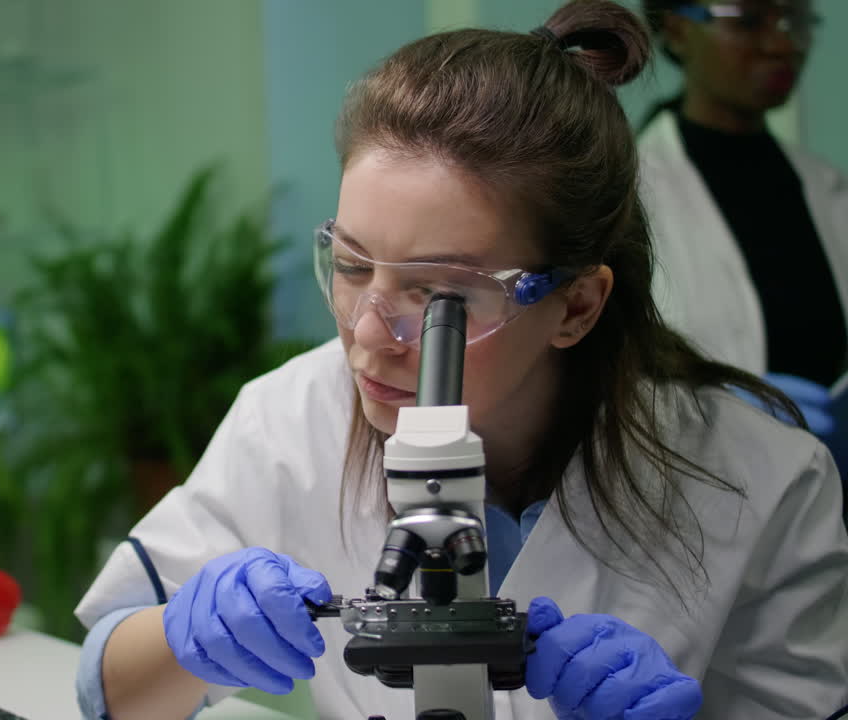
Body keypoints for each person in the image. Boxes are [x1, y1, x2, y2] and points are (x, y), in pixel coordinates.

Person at [74, 1, 848, 718]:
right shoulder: (292, 418)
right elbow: (106, 690)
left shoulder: (764, 482)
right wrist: (183, 642)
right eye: (351, 266)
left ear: (576, 305)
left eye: (440, 295)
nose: (369, 333)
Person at [638, 0, 848, 441]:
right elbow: (603, 378)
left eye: (795, 20)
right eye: (749, 21)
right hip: (705, 469)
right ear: (677, 29)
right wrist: (715, 407)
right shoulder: (628, 197)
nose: (782, 44)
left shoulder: (828, 188)